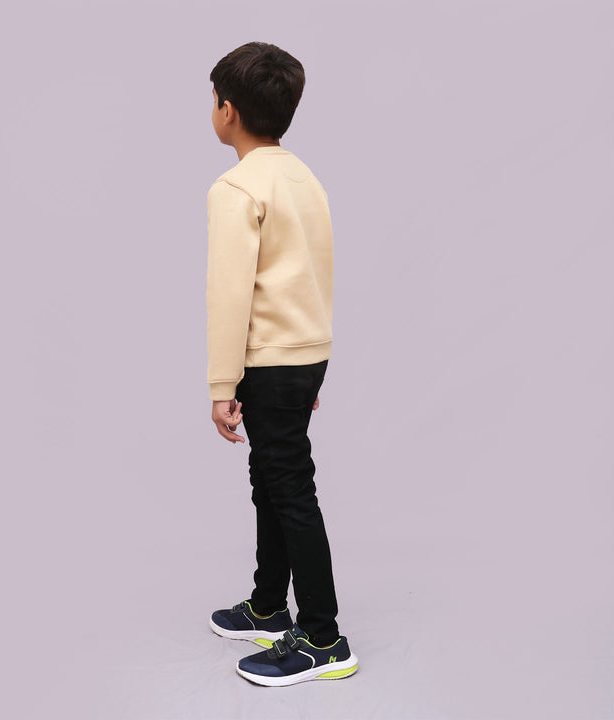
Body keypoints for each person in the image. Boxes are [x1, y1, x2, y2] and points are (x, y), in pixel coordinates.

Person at [205, 41, 358, 687]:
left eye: (214, 100)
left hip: (269, 361)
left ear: (228, 111)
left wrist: (223, 384)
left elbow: (229, 294)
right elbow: (314, 270)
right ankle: (269, 605)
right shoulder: (303, 177)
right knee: (270, 479)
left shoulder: (236, 187)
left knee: (289, 488)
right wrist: (309, 362)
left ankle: (323, 637)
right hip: (305, 352)